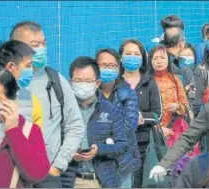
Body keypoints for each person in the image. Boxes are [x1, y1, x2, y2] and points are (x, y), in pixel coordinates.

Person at [10, 21, 85, 187]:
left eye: (44, 44)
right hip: (10, 175)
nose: (41, 49)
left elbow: (75, 126)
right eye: (35, 45)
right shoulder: (2, 82)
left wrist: (57, 166)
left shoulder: (56, 80)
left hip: (47, 175)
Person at [67, 56, 129, 188]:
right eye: (78, 80)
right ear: (71, 82)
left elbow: (123, 145)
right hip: (69, 180)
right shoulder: (63, 109)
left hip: (100, 181)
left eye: (88, 81)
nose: (83, 84)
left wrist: (99, 150)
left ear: (97, 83)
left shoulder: (111, 110)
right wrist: (69, 153)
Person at [118, 39, 162, 187]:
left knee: (137, 182)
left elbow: (158, 113)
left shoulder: (149, 82)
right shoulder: (115, 82)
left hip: (142, 144)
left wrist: (144, 117)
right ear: (121, 57)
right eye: (128, 53)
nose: (132, 57)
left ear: (143, 57)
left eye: (136, 54)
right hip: (117, 143)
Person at [95, 48, 140, 188]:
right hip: (95, 161)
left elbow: (129, 125)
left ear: (118, 68)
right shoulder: (89, 93)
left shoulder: (128, 93)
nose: (107, 68)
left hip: (122, 162)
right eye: (103, 65)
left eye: (112, 65)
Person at [0, 40, 43, 129]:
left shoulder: (33, 101)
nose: (32, 70)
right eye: (28, 66)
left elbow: (36, 139)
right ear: (11, 67)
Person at [147, 45, 189, 136]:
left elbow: (185, 105)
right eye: (155, 58)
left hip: (174, 129)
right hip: (153, 132)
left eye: (162, 57)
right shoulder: (145, 81)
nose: (159, 61)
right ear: (150, 61)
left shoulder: (175, 79)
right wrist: (158, 129)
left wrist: (178, 106)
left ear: (168, 60)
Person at [163, 27, 196, 115]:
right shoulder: (183, 69)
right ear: (181, 43)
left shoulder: (155, 60)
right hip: (178, 118)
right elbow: (191, 96)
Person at [178, 43, 209, 117]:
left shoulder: (203, 73)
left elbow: (205, 92)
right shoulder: (176, 74)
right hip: (182, 113)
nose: (187, 58)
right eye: (184, 55)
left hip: (199, 113)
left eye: (189, 55)